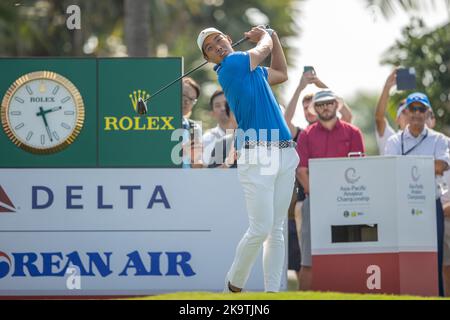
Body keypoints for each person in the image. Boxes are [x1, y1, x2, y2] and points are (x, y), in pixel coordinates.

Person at [197, 25, 299, 292]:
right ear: (209, 59)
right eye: (209, 47)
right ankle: (233, 285)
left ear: (229, 39)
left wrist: (274, 37)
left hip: (285, 151)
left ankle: (272, 292)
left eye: (218, 39)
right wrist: (265, 36)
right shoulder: (232, 64)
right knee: (261, 228)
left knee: (276, 229)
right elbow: (262, 49)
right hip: (258, 154)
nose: (216, 45)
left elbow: (281, 73)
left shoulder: (250, 69)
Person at [296, 89, 365, 291]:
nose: (325, 107)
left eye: (329, 103)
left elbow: (359, 169)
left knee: (350, 255)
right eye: (320, 104)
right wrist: (320, 199)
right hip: (314, 203)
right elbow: (301, 172)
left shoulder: (353, 132)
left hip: (349, 202)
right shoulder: (307, 134)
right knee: (308, 259)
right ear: (314, 109)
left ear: (336, 105)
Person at [384, 92, 450, 296]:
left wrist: (408, 166)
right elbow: (390, 170)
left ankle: (437, 294)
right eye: (413, 109)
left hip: (432, 203)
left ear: (428, 113)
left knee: (435, 256)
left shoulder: (439, 139)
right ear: (406, 112)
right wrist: (427, 166)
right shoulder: (395, 141)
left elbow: (442, 165)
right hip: (402, 205)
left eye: (422, 109)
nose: (417, 113)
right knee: (406, 254)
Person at [374, 69, 409, 155]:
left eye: (412, 110)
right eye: (404, 112)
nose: (409, 115)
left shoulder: (426, 140)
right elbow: (379, 118)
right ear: (397, 119)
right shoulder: (390, 138)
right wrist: (387, 87)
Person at [202, 90, 235, 167]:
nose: (223, 108)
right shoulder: (206, 139)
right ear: (212, 113)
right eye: (217, 105)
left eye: (226, 104)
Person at [181, 77, 203, 168]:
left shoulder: (194, 127)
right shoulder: (161, 122)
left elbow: (196, 165)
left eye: (192, 99)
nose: (187, 101)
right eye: (184, 95)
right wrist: (182, 151)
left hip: (186, 180)